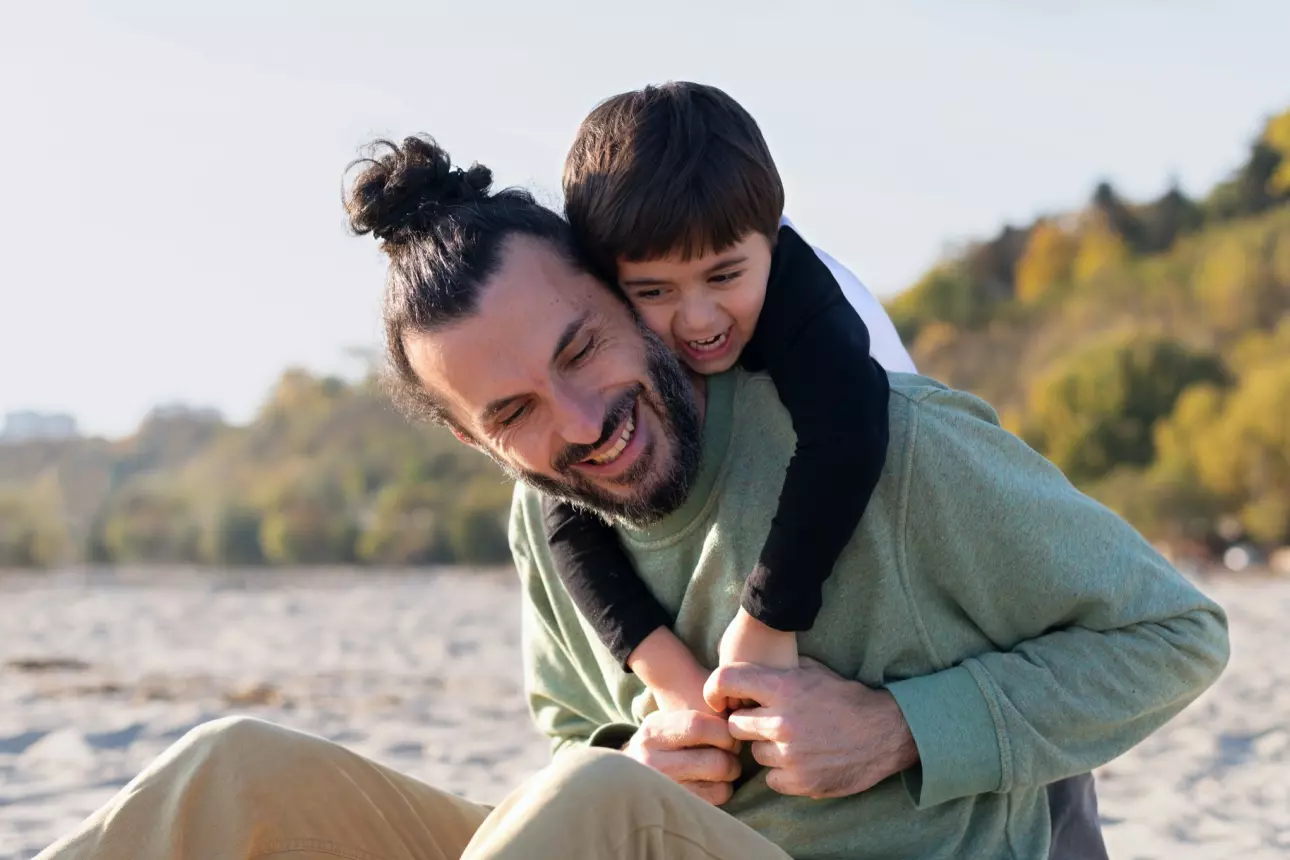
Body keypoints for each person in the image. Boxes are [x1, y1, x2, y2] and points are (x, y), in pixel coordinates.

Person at [36, 134, 1228, 860]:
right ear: (469, 433)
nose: (575, 422)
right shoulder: (546, 514)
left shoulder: (894, 447)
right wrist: (636, 747)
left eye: (578, 350)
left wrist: (907, 725)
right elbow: (571, 726)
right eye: (509, 415)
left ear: (626, 292)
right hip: (649, 842)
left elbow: (1176, 632)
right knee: (233, 767)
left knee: (594, 802)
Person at [544, 82, 910, 715]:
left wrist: (767, 619)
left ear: (771, 236)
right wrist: (663, 672)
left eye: (725, 276)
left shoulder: (809, 302)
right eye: (653, 291)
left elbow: (848, 436)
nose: (698, 318)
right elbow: (565, 516)